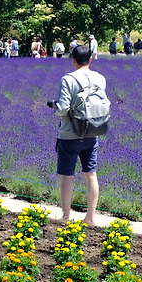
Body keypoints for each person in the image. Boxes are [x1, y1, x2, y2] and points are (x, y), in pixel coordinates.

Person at [48, 44, 105, 226]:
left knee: (67, 175)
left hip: (70, 134)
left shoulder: (68, 79)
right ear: (90, 59)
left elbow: (63, 109)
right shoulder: (100, 78)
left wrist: (54, 105)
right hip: (92, 132)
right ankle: (91, 217)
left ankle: (66, 216)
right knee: (91, 174)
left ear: (73, 60)